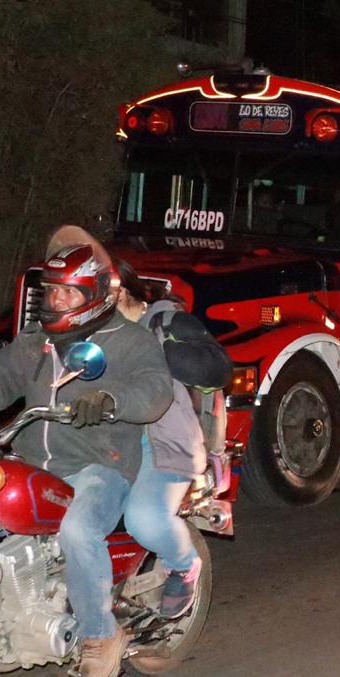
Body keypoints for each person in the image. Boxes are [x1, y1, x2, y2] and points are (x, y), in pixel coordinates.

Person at [0, 229, 172, 677]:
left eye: (66, 292)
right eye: (52, 291)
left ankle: (100, 634)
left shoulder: (129, 340)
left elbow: (155, 391)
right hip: (32, 461)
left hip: (98, 466)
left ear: (93, 294)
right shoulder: (36, 341)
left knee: (79, 529)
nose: (55, 300)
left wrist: (112, 401)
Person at [113, 260, 229, 629]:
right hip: (109, 445)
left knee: (144, 517)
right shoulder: (95, 334)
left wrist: (167, 357)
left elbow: (219, 369)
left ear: (118, 292)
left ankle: (184, 564)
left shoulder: (165, 322)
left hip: (164, 443)